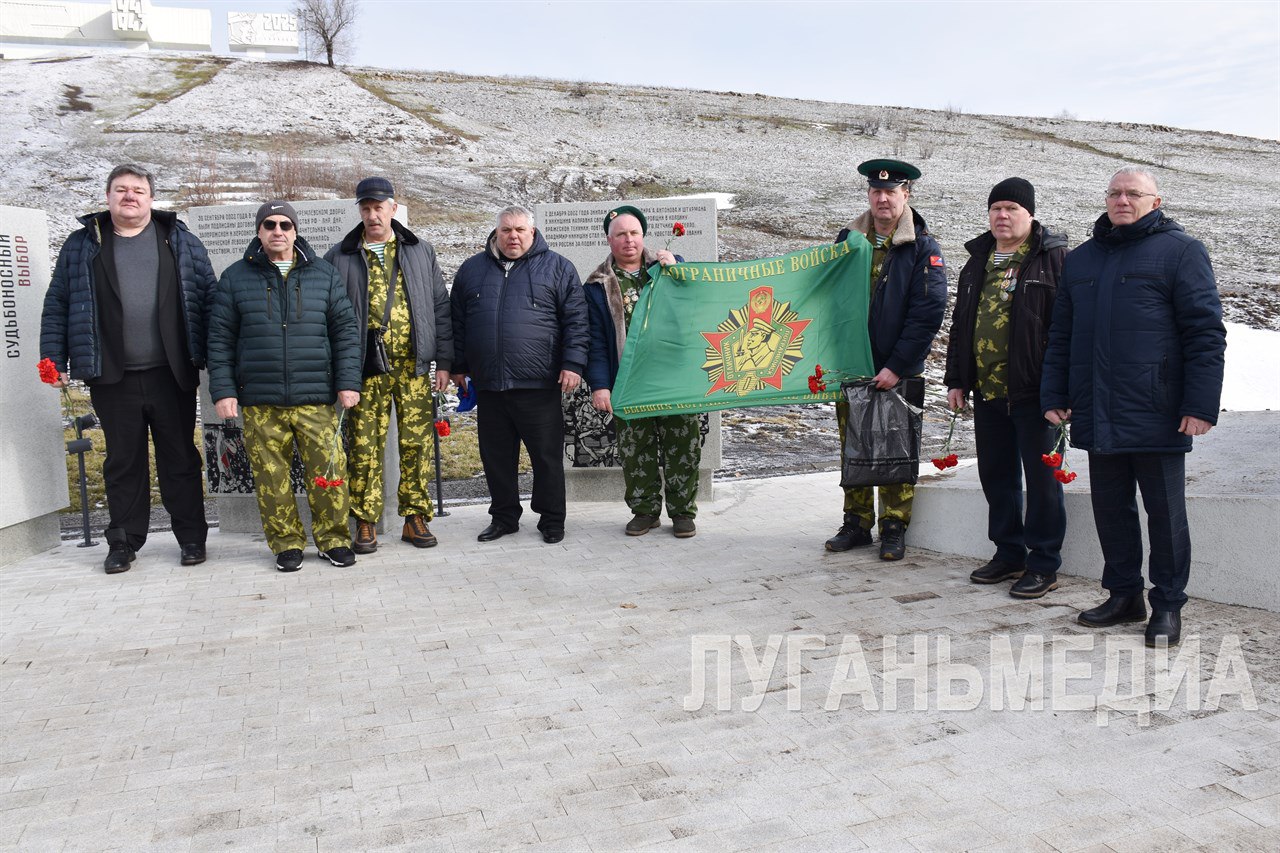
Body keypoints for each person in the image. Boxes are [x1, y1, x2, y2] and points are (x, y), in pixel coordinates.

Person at [1041, 166, 1226, 646]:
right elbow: (1062, 334)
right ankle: (1124, 596)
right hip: (1097, 408)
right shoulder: (1081, 259)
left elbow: (1205, 333)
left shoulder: (1182, 251)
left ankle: (1167, 605)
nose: (1122, 200)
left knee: (1165, 515)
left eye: (1133, 194)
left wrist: (1200, 404)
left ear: (1155, 202)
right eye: (1115, 193)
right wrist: (1055, 393)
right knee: (1111, 510)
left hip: (1157, 409)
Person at [40, 164, 215, 574]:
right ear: (108, 197)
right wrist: (53, 357)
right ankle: (123, 541)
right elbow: (59, 302)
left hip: (171, 373)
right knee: (122, 461)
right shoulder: (83, 244)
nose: (130, 196)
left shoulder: (180, 240)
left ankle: (192, 538)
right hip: (111, 374)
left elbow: (208, 297)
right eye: (121, 189)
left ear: (151, 198)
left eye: (138, 189)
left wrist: (216, 357)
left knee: (180, 457)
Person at [206, 201, 363, 572]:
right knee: (271, 478)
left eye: (285, 225)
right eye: (270, 224)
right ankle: (287, 544)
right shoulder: (235, 277)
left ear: (295, 231)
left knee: (328, 472)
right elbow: (220, 339)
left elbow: (344, 332)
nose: (278, 231)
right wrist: (224, 391)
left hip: (316, 398)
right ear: (259, 231)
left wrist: (347, 382)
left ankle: (333, 540)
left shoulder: (323, 273)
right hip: (261, 400)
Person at [945, 178, 1068, 599]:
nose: (1002, 215)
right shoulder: (977, 261)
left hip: (1036, 395)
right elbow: (961, 325)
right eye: (996, 208)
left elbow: (1067, 328)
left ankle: (1044, 563)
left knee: (1043, 482)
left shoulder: (1053, 259)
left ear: (1029, 214)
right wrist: (957, 379)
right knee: (997, 477)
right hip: (988, 391)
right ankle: (1009, 552)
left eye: (1012, 208)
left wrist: (1062, 390)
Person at [826, 159, 947, 560]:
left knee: (895, 446)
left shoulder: (922, 247)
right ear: (868, 194)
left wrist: (896, 365)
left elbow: (927, 313)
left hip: (898, 368)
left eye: (891, 192)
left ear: (905, 195)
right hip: (852, 366)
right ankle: (856, 523)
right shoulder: (848, 241)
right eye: (876, 191)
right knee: (854, 446)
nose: (883, 199)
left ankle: (894, 525)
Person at [325, 177, 453, 554]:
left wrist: (444, 361)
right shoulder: (340, 256)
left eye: (379, 207)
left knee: (416, 443)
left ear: (393, 209)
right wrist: (341, 372)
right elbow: (330, 317)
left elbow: (439, 307)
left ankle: (414, 517)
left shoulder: (419, 251)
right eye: (365, 208)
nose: (372, 215)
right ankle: (365, 520)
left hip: (413, 366)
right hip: (367, 369)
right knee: (364, 445)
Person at [449, 205, 589, 544]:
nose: (513, 236)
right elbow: (458, 323)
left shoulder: (558, 268)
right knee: (496, 457)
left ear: (532, 232)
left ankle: (551, 519)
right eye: (506, 230)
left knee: (545, 457)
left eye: (520, 230)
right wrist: (458, 366)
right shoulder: (472, 269)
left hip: (538, 383)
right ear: (496, 233)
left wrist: (573, 364)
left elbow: (576, 321)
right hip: (489, 384)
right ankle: (504, 517)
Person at [584, 206, 699, 538]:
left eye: (634, 233)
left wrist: (678, 269)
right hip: (629, 381)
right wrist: (601, 385)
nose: (628, 240)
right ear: (609, 240)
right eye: (620, 234)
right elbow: (595, 341)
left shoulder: (667, 267)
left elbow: (696, 300)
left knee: (683, 445)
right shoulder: (596, 285)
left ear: (643, 236)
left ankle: (683, 512)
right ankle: (645, 511)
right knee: (636, 450)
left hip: (672, 378)